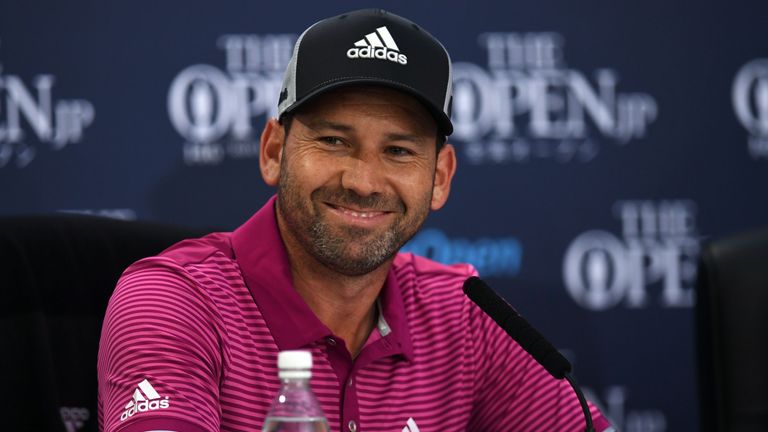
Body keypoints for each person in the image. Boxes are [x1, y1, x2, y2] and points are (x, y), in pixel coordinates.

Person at [98, 8, 612, 432]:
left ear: (439, 178)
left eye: (398, 150)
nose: (364, 181)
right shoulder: (175, 301)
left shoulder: (463, 313)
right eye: (334, 141)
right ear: (274, 150)